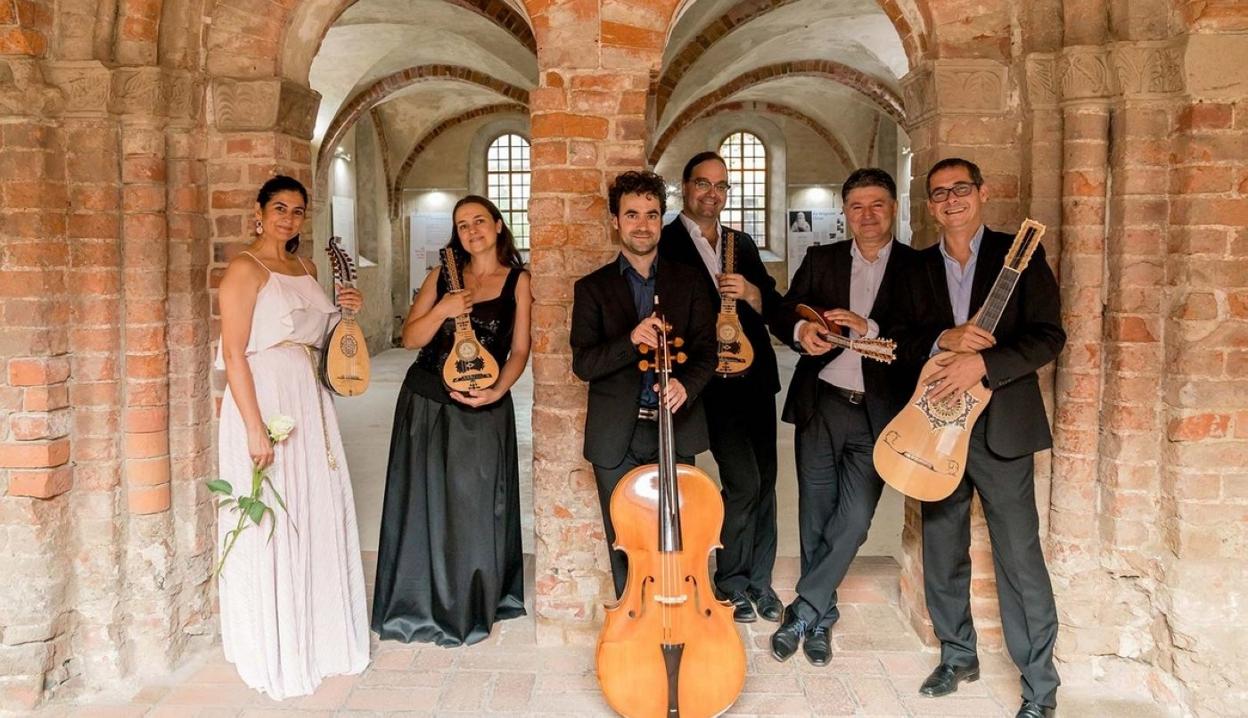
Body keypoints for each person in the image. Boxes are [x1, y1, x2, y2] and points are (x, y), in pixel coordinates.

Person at [909, 158, 1065, 718]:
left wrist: (985, 365)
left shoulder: (1017, 254)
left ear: (981, 193)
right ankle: (957, 656)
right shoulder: (917, 266)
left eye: (961, 189)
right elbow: (900, 338)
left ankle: (1040, 687)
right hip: (936, 428)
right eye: (939, 193)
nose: (950, 199)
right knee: (942, 546)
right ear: (930, 205)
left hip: (1002, 429)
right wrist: (942, 339)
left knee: (1019, 556)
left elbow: (1049, 336)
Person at [215, 174, 370, 699]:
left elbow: (321, 340)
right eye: (279, 208)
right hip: (264, 397)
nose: (288, 218)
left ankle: (319, 635)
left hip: (309, 397)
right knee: (274, 519)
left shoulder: (307, 268)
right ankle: (274, 642)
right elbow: (234, 353)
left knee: (312, 509)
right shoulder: (244, 269)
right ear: (259, 213)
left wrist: (347, 313)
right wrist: (253, 427)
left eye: (297, 210)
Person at [767, 168, 925, 666]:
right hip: (822, 403)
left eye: (877, 204)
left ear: (893, 208)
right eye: (857, 206)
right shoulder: (823, 259)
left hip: (879, 414)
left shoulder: (917, 267)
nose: (867, 215)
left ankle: (803, 608)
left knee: (854, 519)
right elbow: (785, 310)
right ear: (845, 212)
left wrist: (869, 326)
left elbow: (926, 335)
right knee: (815, 513)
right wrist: (800, 332)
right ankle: (820, 619)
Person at [371, 195, 532, 646]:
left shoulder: (518, 281)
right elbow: (410, 338)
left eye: (480, 221)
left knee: (474, 507)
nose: (472, 230)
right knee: (424, 504)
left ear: (498, 225)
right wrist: (443, 309)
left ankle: (470, 601)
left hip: (484, 405)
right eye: (463, 225)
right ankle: (417, 605)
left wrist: (497, 391)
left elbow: (520, 349)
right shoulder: (441, 276)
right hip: (426, 402)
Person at [570, 170, 716, 599]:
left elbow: (707, 353)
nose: (642, 225)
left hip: (675, 428)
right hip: (617, 434)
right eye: (631, 214)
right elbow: (584, 364)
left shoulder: (689, 281)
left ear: (661, 220)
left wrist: (687, 385)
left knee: (677, 538)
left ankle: (678, 617)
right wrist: (631, 340)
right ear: (615, 221)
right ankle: (633, 620)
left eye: (652, 215)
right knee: (626, 542)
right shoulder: (592, 288)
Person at [658, 152, 784, 622]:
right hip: (710, 383)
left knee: (766, 482)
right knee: (743, 481)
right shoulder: (667, 244)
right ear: (685, 187)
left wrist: (751, 292)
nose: (712, 194)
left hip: (755, 378)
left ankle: (760, 583)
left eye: (721, 186)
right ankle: (731, 582)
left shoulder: (740, 243)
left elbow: (770, 302)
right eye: (703, 183)